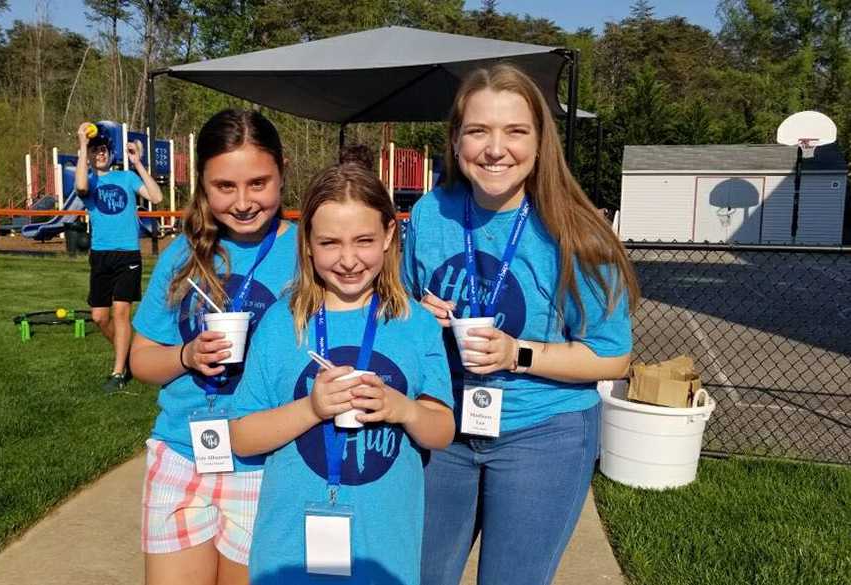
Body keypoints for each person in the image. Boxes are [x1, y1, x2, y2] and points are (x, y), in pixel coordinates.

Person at [402, 63, 640, 585]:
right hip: (444, 427)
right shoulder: (429, 215)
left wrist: (517, 354)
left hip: (544, 433)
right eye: (478, 130)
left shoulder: (578, 232)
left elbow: (612, 355)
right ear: (456, 139)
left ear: (539, 141)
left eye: (515, 131)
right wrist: (415, 320)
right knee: (420, 576)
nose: (495, 149)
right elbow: (394, 314)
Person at [229, 164, 455, 585]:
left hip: (384, 553)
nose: (348, 260)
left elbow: (441, 430)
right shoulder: (282, 323)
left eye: (364, 241)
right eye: (330, 243)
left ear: (389, 235)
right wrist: (312, 408)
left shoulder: (415, 323)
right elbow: (242, 435)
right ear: (308, 246)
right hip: (288, 552)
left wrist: (401, 408)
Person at [129, 109, 297, 585]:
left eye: (258, 183)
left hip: (264, 463)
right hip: (182, 453)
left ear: (283, 170)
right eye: (225, 186)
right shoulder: (182, 255)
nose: (243, 202)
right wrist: (186, 356)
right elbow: (141, 359)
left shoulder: (309, 252)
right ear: (202, 182)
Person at [75, 123, 164, 392]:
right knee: (100, 317)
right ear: (90, 156)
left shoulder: (126, 178)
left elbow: (156, 197)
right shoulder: (90, 181)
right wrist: (82, 146)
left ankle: (117, 372)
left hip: (128, 254)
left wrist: (138, 163)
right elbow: (80, 187)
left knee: (121, 312)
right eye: (95, 151)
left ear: (111, 154)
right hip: (101, 255)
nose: (100, 154)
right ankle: (128, 356)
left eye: (104, 150)